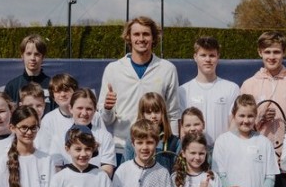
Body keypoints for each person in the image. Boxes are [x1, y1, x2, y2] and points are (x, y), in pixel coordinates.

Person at [98, 16, 180, 158]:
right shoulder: (113, 69)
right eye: (136, 34)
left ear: (153, 38)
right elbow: (105, 119)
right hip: (120, 148)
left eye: (146, 34)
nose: (141, 38)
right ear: (128, 37)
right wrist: (107, 108)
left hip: (156, 149)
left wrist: (172, 150)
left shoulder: (167, 69)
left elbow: (172, 114)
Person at [240, 31, 286, 187]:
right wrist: (259, 118)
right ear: (260, 52)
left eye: (276, 52)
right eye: (267, 52)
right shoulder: (249, 85)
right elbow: (239, 125)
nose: (272, 56)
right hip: (257, 159)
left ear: (284, 52)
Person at [179, 36, 240, 147]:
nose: (208, 59)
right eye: (203, 55)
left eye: (212, 55)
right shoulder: (183, 91)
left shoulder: (231, 88)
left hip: (223, 151)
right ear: (195, 57)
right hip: (194, 154)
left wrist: (225, 147)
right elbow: (181, 127)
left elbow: (234, 123)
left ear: (218, 57)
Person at [122, 92, 181, 171]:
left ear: (163, 112)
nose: (153, 116)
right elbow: (125, 168)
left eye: (157, 111)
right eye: (148, 112)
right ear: (142, 114)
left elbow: (176, 172)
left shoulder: (174, 142)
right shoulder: (132, 139)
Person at [36, 72, 80, 168]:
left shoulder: (90, 115)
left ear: (75, 92)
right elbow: (44, 151)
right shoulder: (48, 120)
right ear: (53, 96)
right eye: (58, 91)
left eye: (66, 90)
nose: (62, 94)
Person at [4, 34, 52, 115]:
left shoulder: (52, 85)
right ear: (22, 56)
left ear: (43, 57)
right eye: (28, 54)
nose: (32, 58)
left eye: (37, 54)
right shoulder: (12, 86)